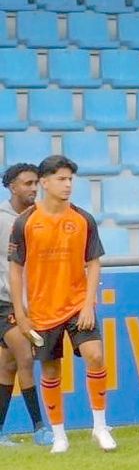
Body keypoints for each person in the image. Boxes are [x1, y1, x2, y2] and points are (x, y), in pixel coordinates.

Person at [8, 155, 115, 453]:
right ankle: (59, 434)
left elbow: (93, 262)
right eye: (61, 179)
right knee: (51, 369)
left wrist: (88, 304)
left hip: (77, 305)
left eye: (70, 179)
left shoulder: (83, 218)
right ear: (45, 182)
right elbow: (15, 269)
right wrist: (21, 312)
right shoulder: (26, 222)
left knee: (95, 356)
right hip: (42, 310)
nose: (67, 185)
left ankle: (99, 426)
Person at [0, 163, 53, 446]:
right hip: (6, 302)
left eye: (36, 183)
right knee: (25, 358)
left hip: (31, 301)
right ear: (12, 187)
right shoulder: (2, 219)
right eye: (27, 184)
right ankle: (39, 427)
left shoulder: (40, 217)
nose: (34, 188)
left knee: (7, 366)